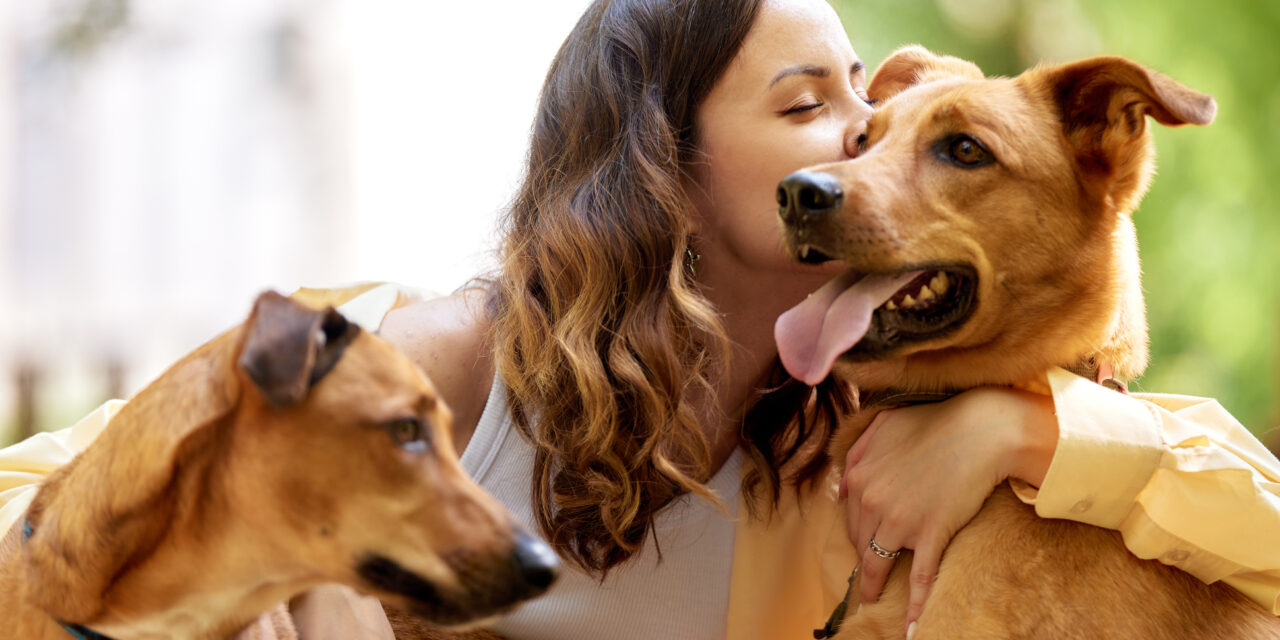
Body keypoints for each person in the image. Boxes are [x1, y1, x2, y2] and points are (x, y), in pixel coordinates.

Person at [2, 0, 1277, 638]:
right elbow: (49, 523)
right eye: (806, 108)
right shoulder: (441, 359)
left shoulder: (863, 429)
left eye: (862, 105)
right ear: (661, 162)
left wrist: (1020, 438)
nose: (853, 147)